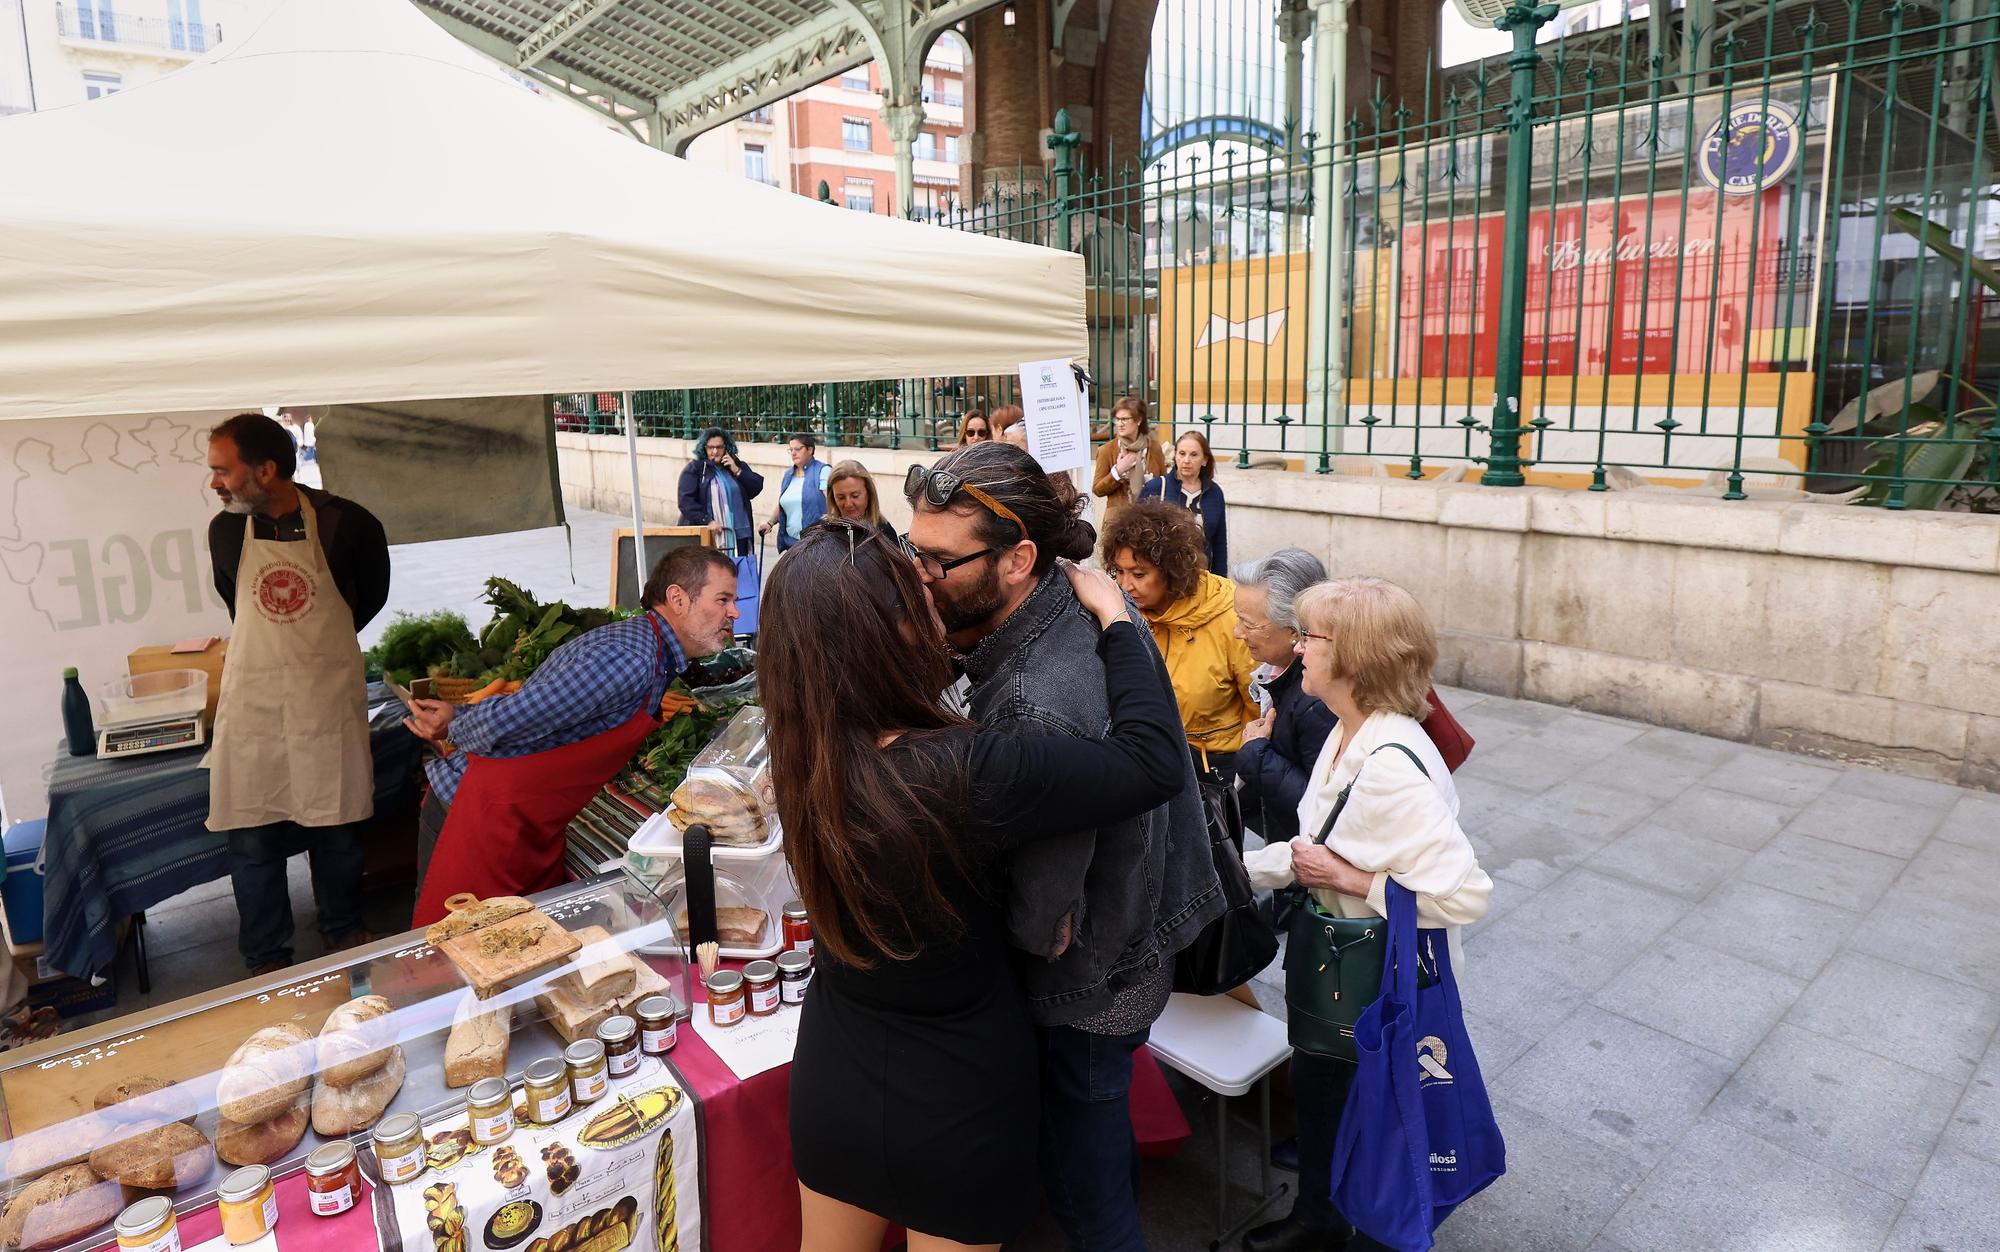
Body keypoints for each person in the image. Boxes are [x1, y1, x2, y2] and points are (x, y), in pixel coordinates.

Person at [766, 520, 1185, 1252]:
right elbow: (1152, 763)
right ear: (888, 631)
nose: (936, 594)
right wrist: (1117, 619)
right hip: (957, 1100)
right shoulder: (970, 769)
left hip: (834, 1077)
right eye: (917, 588)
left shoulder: (801, 750)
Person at [904, 442, 1223, 1251]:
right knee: (1091, 1160)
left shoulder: (1038, 702)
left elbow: (1042, 917)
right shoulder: (1085, 600)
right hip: (1136, 936)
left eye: (939, 561)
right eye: (914, 550)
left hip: (1089, 979)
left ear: (1018, 559)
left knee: (1089, 1196)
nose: (919, 575)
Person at [1241, 577, 1493, 1252]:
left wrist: (1353, 879)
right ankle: (1318, 1220)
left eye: (1308, 637)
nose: (1297, 649)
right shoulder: (1351, 733)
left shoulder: (1389, 764)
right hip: (1344, 970)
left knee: (1370, 1111)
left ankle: (1367, 1230)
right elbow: (1316, 846)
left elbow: (1465, 893)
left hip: (1378, 982)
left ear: (1350, 658)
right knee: (1322, 1091)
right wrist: (1238, 875)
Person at [402, 546, 738, 926]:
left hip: (523, 824)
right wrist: (453, 725)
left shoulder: (651, 652)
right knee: (447, 957)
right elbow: (520, 714)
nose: (734, 613)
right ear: (678, 598)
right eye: (723, 599)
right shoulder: (630, 659)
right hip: (478, 817)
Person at [204, 412, 391, 974]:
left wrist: (316, 650)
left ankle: (341, 928)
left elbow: (370, 597)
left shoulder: (348, 524)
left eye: (223, 470)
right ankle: (266, 956)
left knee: (336, 829)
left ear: (266, 469)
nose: (214, 483)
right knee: (252, 842)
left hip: (324, 699)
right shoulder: (225, 531)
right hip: (254, 706)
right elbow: (234, 601)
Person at [1100, 500, 1260, 789]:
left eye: (1138, 574)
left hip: (1214, 767)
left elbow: (1257, 704)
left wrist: (1245, 770)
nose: (1125, 585)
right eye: (1118, 572)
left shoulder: (1229, 615)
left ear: (1172, 570)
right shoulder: (1122, 612)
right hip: (1146, 759)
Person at [1232, 549, 1338, 846]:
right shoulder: (1284, 671)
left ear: (1294, 629)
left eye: (1248, 624)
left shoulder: (1317, 698)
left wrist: (1256, 752)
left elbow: (1322, 807)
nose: (1237, 632)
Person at [1139, 429, 1228, 573]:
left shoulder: (1214, 493)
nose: (1186, 460)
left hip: (1201, 574)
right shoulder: (1156, 487)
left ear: (1204, 460)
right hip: (1162, 575)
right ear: (1175, 456)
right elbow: (1138, 534)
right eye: (1182, 454)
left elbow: (1219, 543)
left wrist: (1221, 583)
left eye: (1194, 455)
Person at [677, 427, 764, 557]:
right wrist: (707, 521)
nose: (715, 451)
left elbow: (755, 488)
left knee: (738, 572)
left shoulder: (736, 465)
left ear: (727, 448)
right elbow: (686, 502)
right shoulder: (696, 469)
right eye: (710, 447)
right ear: (704, 448)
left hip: (739, 533)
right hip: (711, 535)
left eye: (719, 447)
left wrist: (737, 470)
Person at [1092, 396, 1168, 528]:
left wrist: (1151, 483)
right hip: (1118, 523)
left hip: (1149, 521)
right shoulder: (1107, 450)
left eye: (1125, 419)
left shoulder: (1154, 448)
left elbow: (1165, 483)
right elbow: (1098, 490)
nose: (1120, 423)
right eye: (1117, 419)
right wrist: (1117, 472)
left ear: (1138, 420)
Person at [760, 432, 833, 552]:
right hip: (791, 544)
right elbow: (783, 503)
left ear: (810, 450)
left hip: (817, 543)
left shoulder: (823, 471)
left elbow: (832, 501)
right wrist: (770, 523)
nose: (793, 453)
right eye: (791, 450)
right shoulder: (788, 474)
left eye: (798, 449)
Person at [827, 460, 897, 542]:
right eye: (841, 497)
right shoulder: (822, 533)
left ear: (869, 494)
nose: (848, 504)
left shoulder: (885, 534)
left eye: (855, 496)